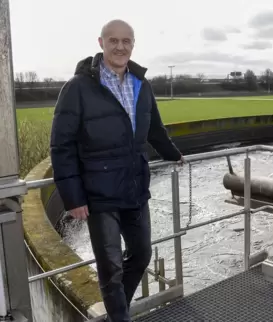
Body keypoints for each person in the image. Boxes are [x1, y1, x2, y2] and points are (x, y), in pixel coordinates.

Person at [50, 19, 184, 322]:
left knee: (142, 253)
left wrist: (173, 154)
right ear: (101, 43)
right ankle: (120, 316)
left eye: (126, 41)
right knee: (110, 267)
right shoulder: (78, 88)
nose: (120, 47)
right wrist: (73, 197)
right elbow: (61, 145)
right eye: (114, 40)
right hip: (99, 193)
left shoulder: (141, 84)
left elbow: (154, 129)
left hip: (135, 186)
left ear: (133, 45)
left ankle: (115, 311)